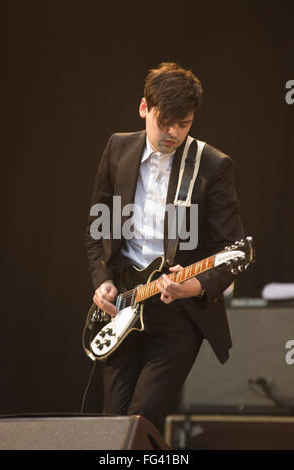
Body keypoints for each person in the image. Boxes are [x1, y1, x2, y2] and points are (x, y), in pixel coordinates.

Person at [85, 62, 244, 434]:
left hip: (179, 310)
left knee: (143, 417)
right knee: (113, 423)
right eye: (165, 121)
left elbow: (233, 253)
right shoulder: (117, 149)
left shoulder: (211, 165)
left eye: (184, 124)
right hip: (125, 301)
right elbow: (97, 230)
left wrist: (193, 285)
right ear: (144, 108)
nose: (173, 133)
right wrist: (103, 280)